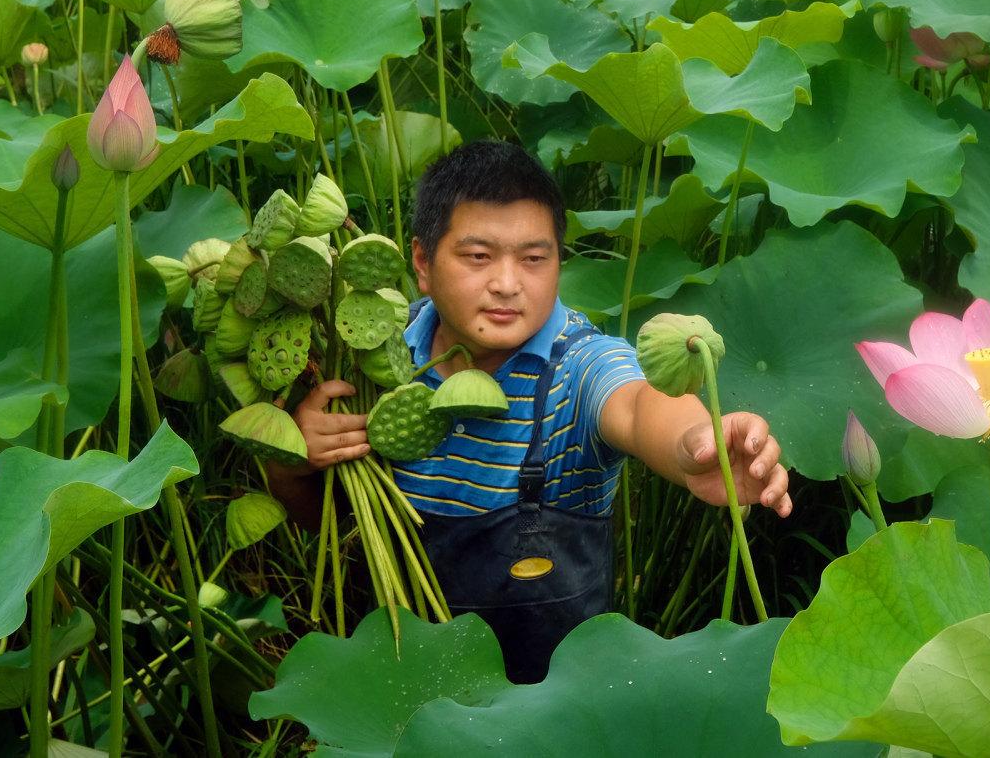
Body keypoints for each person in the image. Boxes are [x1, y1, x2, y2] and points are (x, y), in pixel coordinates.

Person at [267, 139, 791, 682]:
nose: (507, 284)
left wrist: (696, 446)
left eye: (534, 259)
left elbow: (637, 406)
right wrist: (292, 464)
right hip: (403, 679)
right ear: (423, 262)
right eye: (478, 256)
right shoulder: (375, 356)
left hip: (548, 706)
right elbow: (335, 521)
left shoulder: (579, 364)